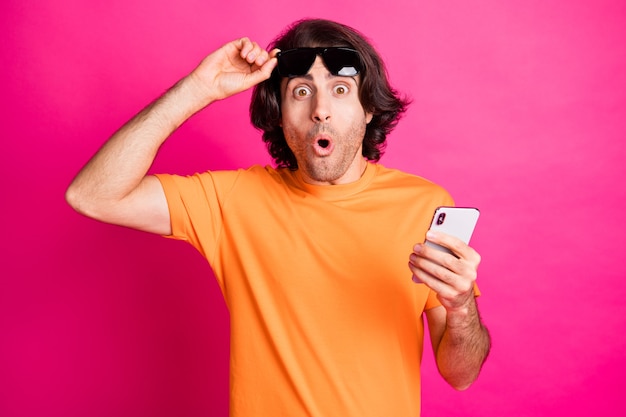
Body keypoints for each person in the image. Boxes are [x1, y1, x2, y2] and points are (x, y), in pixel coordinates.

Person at [66, 18, 490, 416]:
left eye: (340, 90)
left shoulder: (424, 205)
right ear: (280, 116)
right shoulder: (233, 200)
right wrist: (197, 88)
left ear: (367, 109)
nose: (320, 110)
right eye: (301, 92)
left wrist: (460, 308)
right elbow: (93, 195)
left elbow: (461, 375)